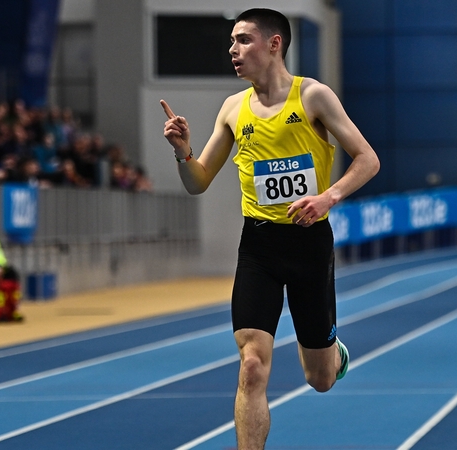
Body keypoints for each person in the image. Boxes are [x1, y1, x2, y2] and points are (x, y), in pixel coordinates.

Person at [160, 9, 380, 449]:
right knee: (252, 366)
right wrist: (184, 153)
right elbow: (198, 182)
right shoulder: (233, 108)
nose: (232, 50)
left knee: (318, 379)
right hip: (258, 246)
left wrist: (327, 198)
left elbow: (367, 159)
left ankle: (333, 353)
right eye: (231, 42)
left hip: (309, 243)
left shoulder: (313, 96)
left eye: (243, 40)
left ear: (274, 43)